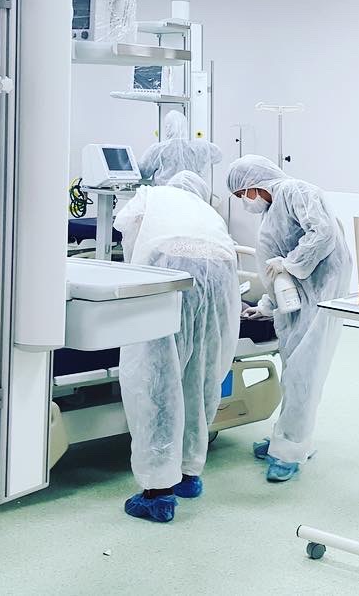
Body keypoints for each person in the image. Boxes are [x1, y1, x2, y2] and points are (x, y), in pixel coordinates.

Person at [113, 170, 240, 522]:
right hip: (219, 272)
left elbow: (125, 227)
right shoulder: (207, 211)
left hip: (167, 268)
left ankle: (157, 492)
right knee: (199, 373)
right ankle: (189, 473)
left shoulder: (151, 196)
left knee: (156, 376)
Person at [227, 155, 354, 483]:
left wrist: (291, 263)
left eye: (242, 194)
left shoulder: (296, 191)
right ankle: (286, 438)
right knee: (293, 370)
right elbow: (275, 264)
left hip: (320, 293)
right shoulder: (272, 209)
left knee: (303, 374)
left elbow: (322, 233)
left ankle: (291, 451)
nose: (244, 202)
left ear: (255, 184)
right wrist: (267, 304)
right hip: (300, 297)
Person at [137, 110, 224, 189]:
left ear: (168, 127)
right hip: (193, 196)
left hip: (165, 196)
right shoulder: (199, 147)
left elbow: (142, 173)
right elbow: (218, 157)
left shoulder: (159, 149)